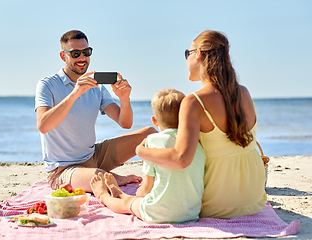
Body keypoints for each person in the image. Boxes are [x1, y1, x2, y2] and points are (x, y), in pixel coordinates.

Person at [136, 30, 267, 219]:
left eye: (187, 54)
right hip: (254, 198)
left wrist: (141, 151)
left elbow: (181, 158)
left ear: (198, 54)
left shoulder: (194, 101)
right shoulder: (244, 92)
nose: (186, 60)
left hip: (217, 203)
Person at [35, 30, 156, 192]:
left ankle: (162, 179)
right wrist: (75, 93)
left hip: (94, 156)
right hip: (63, 169)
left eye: (86, 52)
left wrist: (124, 98)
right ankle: (115, 178)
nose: (82, 58)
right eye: (75, 53)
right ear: (63, 56)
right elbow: (43, 125)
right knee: (101, 177)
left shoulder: (97, 87)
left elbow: (125, 123)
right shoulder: (47, 85)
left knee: (150, 134)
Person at [90, 88, 206, 223]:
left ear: (154, 121)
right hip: (191, 213)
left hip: (158, 213)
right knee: (139, 201)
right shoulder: (196, 143)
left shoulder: (153, 141)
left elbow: (146, 188)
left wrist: (139, 195)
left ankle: (104, 196)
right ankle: (119, 193)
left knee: (128, 205)